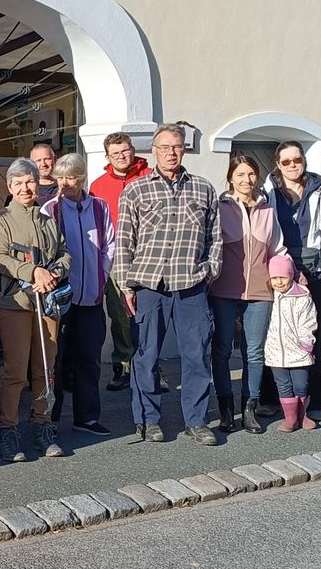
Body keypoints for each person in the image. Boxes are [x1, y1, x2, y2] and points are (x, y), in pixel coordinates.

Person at [114, 124, 222, 446]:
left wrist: (210, 269)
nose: (171, 152)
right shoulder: (135, 191)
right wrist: (126, 286)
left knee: (197, 356)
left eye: (176, 147)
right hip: (150, 286)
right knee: (146, 356)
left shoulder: (203, 189)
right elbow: (124, 242)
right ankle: (148, 421)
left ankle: (197, 421)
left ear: (184, 150)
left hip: (191, 285)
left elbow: (215, 237)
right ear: (154, 151)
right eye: (164, 147)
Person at [0, 158, 71, 462]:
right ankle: (8, 430)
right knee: (15, 372)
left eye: (31, 181)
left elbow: (64, 254)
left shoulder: (48, 219)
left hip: (48, 304)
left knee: (46, 369)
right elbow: (0, 258)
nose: (26, 188)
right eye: (19, 183)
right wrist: (32, 271)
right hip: (17, 304)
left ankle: (43, 425)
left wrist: (55, 273)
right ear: (10, 187)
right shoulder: (1, 218)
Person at [262, 141, 321, 424]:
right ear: (278, 165)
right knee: (276, 336)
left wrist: (314, 261)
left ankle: (315, 402)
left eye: (297, 160)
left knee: (310, 337)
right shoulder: (268, 193)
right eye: (286, 162)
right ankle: (271, 399)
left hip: (313, 271)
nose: (293, 165)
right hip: (277, 272)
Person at [41, 153, 114, 436]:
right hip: (61, 297)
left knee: (88, 358)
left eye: (71, 177)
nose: (65, 183)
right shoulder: (50, 209)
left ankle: (87, 417)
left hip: (92, 297)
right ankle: (50, 418)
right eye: (60, 178)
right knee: (56, 358)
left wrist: (101, 276)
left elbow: (109, 245)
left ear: (82, 177)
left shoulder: (100, 207)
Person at [209, 156, 283, 435]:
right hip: (224, 289)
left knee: (254, 352)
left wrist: (286, 274)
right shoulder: (220, 207)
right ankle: (226, 410)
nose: (246, 180)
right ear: (231, 178)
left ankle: (250, 408)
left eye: (251, 174)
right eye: (240, 174)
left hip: (260, 291)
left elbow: (277, 248)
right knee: (222, 350)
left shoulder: (268, 209)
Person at [89, 132, 150, 391]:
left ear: (133, 150)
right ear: (108, 157)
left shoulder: (150, 177)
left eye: (125, 151)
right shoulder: (98, 186)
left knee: (148, 314)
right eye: (116, 153)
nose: (122, 156)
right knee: (119, 312)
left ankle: (150, 367)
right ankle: (123, 366)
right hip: (115, 258)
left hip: (148, 255)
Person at [264, 255, 319, 433]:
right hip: (275, 351)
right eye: (274, 278)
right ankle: (290, 419)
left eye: (283, 277)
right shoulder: (269, 297)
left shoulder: (302, 297)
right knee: (283, 385)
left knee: (301, 384)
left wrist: (306, 344)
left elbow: (308, 322)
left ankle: (303, 415)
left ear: (290, 276)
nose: (279, 282)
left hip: (298, 349)